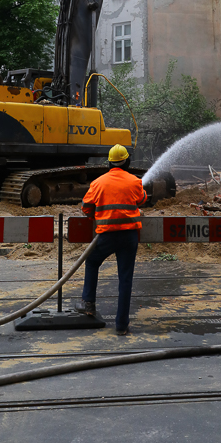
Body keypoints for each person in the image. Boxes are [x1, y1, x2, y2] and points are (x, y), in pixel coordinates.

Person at [75, 143, 147, 335]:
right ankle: (122, 326)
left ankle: (88, 303)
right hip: (129, 237)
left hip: (106, 236)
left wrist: (95, 217)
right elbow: (142, 199)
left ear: (109, 163)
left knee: (92, 261)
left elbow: (85, 207)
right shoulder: (135, 181)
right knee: (125, 279)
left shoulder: (98, 183)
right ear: (127, 162)